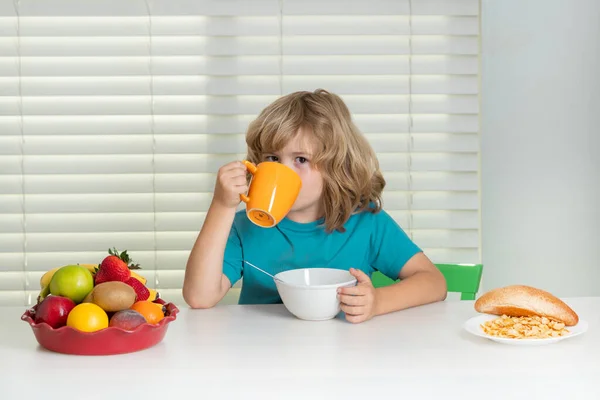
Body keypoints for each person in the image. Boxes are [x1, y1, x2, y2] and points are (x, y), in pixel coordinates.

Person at [182, 89, 447, 323]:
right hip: (261, 358)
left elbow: (433, 282)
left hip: (345, 355)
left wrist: (377, 302)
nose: (283, 170)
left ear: (335, 167)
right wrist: (222, 206)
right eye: (273, 158)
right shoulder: (244, 225)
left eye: (300, 159)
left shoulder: (366, 223)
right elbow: (199, 297)